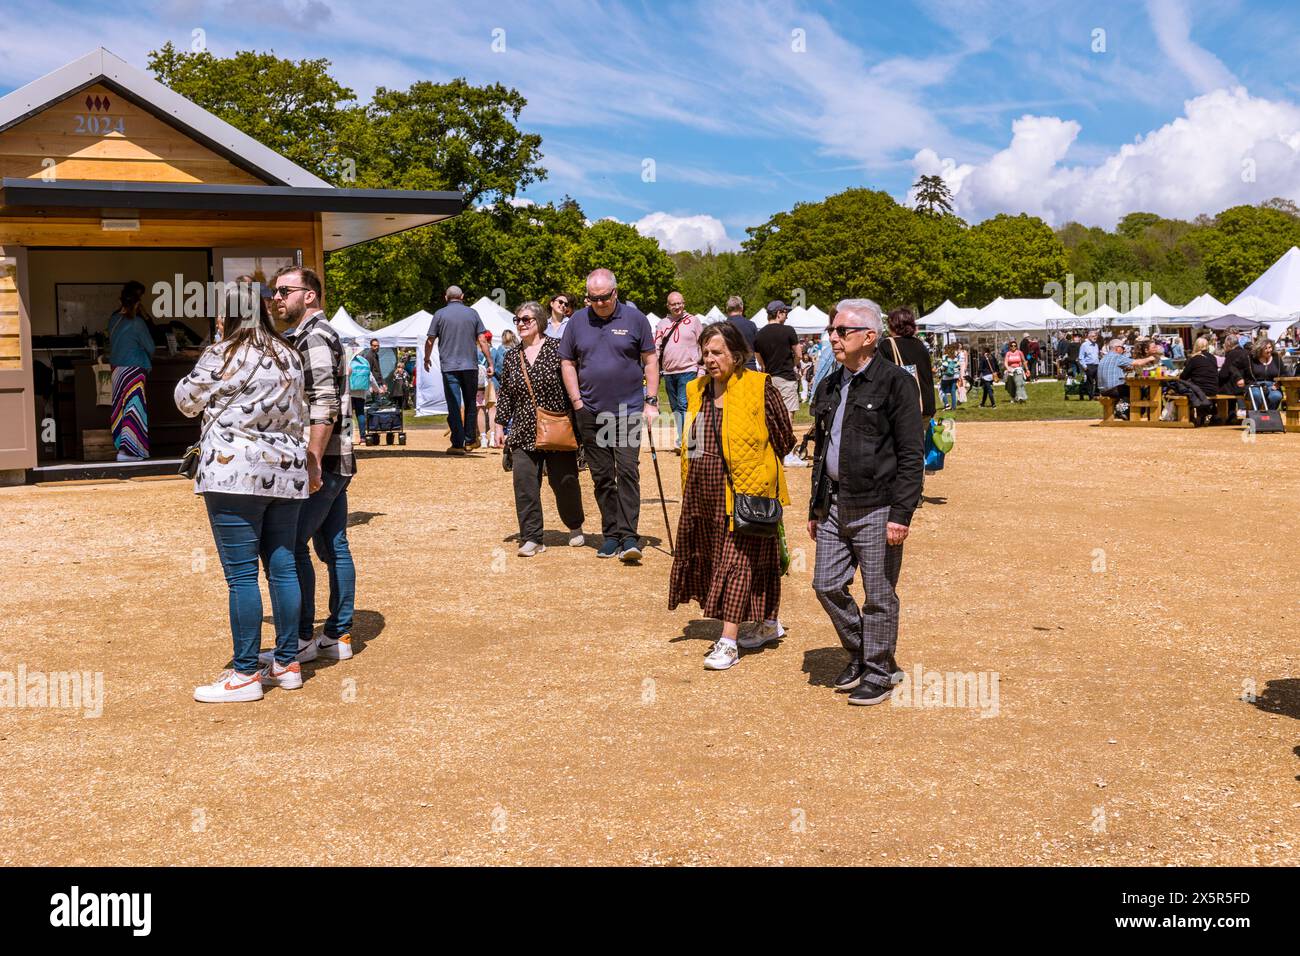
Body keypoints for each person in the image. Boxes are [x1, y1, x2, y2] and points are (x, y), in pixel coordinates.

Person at [176, 291, 308, 702]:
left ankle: (245, 672)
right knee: (283, 568)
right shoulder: (289, 355)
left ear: (226, 316)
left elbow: (185, 402)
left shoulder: (221, 354)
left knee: (242, 576)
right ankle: (287, 662)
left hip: (234, 473)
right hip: (286, 471)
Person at [808, 299, 923, 706]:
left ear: (869, 338)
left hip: (878, 506)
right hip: (835, 504)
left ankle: (877, 672)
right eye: (831, 331)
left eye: (843, 331)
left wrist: (901, 514)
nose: (834, 338)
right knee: (825, 584)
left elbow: (912, 454)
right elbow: (822, 449)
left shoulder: (896, 383)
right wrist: (814, 506)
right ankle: (866, 651)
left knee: (879, 593)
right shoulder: (830, 383)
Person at [669, 322, 794, 670]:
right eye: (705, 353)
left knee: (736, 562)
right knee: (744, 560)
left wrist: (758, 470)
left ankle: (728, 641)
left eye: (717, 352)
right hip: (702, 490)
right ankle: (768, 622)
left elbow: (784, 438)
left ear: (737, 355)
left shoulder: (758, 386)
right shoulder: (697, 389)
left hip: (745, 491)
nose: (709, 359)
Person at [270, 266, 359, 666]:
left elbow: (324, 404)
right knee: (334, 544)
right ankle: (338, 633)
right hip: (335, 459)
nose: (277, 298)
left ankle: (305, 637)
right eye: (274, 292)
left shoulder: (315, 337)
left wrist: (312, 463)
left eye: (284, 291)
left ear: (309, 295)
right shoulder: (306, 337)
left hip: (322, 461)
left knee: (291, 546)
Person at [559, 268, 659, 561]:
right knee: (602, 476)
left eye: (604, 297)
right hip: (589, 410)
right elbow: (567, 362)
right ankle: (611, 534)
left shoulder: (635, 319)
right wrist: (576, 401)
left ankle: (629, 536)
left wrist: (651, 401)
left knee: (627, 471)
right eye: (593, 298)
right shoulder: (577, 321)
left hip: (627, 410)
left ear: (615, 293)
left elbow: (650, 361)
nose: (599, 303)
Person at [495, 301, 585, 556]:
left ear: (539, 322)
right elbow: (506, 395)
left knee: (564, 481)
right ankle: (532, 537)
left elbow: (572, 387)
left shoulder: (558, 350)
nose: (520, 324)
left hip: (557, 426)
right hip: (523, 430)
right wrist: (500, 423)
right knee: (524, 484)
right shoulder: (513, 356)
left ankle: (574, 524)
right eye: (517, 320)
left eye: (526, 320)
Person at [424, 286, 493, 453]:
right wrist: (490, 362)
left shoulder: (439, 314)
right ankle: (470, 440)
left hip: (449, 367)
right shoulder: (473, 313)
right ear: (462, 296)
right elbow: (482, 340)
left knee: (454, 404)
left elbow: (430, 340)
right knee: (470, 402)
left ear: (445, 297)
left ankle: (457, 443)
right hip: (470, 366)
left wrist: (426, 358)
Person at [108, 280, 157, 462]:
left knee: (121, 407)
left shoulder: (113, 320)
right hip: (135, 369)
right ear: (138, 302)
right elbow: (150, 347)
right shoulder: (137, 323)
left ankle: (121, 447)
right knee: (134, 408)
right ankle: (129, 451)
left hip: (117, 370)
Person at [753, 301, 804, 468]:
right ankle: (787, 452)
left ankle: (774, 448)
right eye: (785, 312)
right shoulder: (788, 330)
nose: (787, 315)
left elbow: (760, 361)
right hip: (787, 377)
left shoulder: (759, 335)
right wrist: (793, 364)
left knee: (772, 415)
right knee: (788, 413)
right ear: (779, 313)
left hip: (769, 378)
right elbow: (798, 354)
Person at [654, 291, 704, 446]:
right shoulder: (662, 323)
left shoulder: (694, 321)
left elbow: (703, 344)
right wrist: (653, 368)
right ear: (668, 306)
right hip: (669, 372)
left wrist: (701, 368)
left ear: (684, 303)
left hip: (688, 369)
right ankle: (684, 436)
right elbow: (657, 347)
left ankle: (685, 439)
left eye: (679, 303)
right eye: (673, 304)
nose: (677, 306)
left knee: (683, 403)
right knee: (675, 407)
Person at [877, 307, 935, 422]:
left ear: (892, 325)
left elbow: (880, 377)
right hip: (925, 405)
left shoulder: (887, 344)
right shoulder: (920, 344)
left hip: (904, 408)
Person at [1179, 337, 1220, 425]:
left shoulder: (1194, 359)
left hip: (1201, 390)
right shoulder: (1213, 358)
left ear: (1196, 346)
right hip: (1214, 389)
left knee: (1186, 389)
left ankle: (1192, 416)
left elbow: (1183, 376)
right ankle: (1209, 414)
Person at [349, 348, 382, 441]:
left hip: (349, 392)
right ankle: (363, 438)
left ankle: (349, 438)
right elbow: (371, 378)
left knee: (348, 415)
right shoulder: (364, 362)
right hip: (361, 393)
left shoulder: (349, 361)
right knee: (360, 414)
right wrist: (377, 390)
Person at [724, 295, 759, 371]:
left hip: (731, 368)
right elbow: (757, 349)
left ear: (727, 309)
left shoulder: (723, 327)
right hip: (750, 368)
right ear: (741, 308)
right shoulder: (751, 325)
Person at [1248, 339, 1284, 409]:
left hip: (1272, 385)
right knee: (1256, 395)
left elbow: (1283, 373)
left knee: (1276, 396)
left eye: (1270, 347)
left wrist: (1279, 383)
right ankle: (1256, 416)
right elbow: (1247, 374)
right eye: (1266, 348)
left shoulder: (1276, 357)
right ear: (1260, 350)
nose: (1269, 350)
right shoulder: (1252, 358)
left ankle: (1270, 416)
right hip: (1256, 385)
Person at [1218, 330, 1251, 398]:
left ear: (1229, 344)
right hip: (1246, 384)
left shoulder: (1231, 354)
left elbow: (1223, 374)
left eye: (1225, 344)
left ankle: (1223, 408)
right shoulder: (1246, 352)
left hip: (1235, 386)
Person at [1079, 330, 1101, 400]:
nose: (1095, 337)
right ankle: (1090, 396)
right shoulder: (1084, 345)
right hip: (1089, 366)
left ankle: (1096, 395)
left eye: (1096, 336)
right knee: (1090, 382)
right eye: (1093, 336)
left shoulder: (1096, 345)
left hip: (1097, 365)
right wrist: (1085, 367)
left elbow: (1097, 356)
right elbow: (1080, 357)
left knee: (1098, 381)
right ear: (1089, 337)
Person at [938, 346, 960, 410]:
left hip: (946, 376)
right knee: (953, 391)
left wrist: (940, 369)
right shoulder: (956, 357)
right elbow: (958, 366)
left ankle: (947, 405)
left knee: (942, 390)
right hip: (955, 376)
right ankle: (954, 407)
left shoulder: (945, 356)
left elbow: (945, 365)